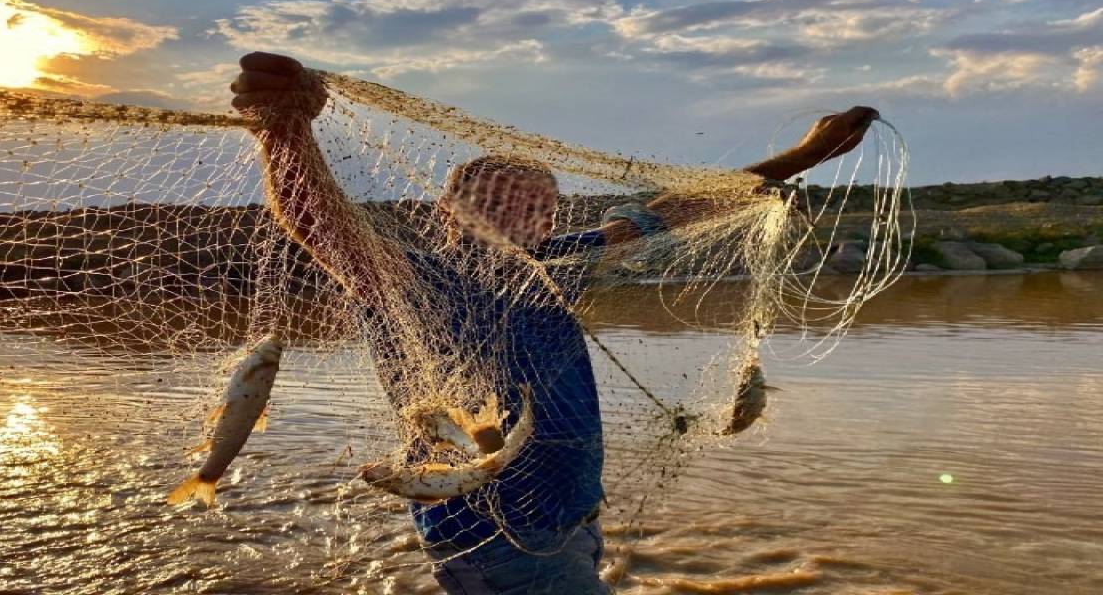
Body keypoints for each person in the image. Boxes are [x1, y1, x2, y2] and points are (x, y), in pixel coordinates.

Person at [229, 51, 876, 594]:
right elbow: (322, 224)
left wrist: (804, 155)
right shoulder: (413, 278)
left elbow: (674, 210)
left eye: (540, 207)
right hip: (489, 537)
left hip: (569, 517)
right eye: (496, 203)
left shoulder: (556, 265)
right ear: (451, 212)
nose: (523, 218)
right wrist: (284, 129)